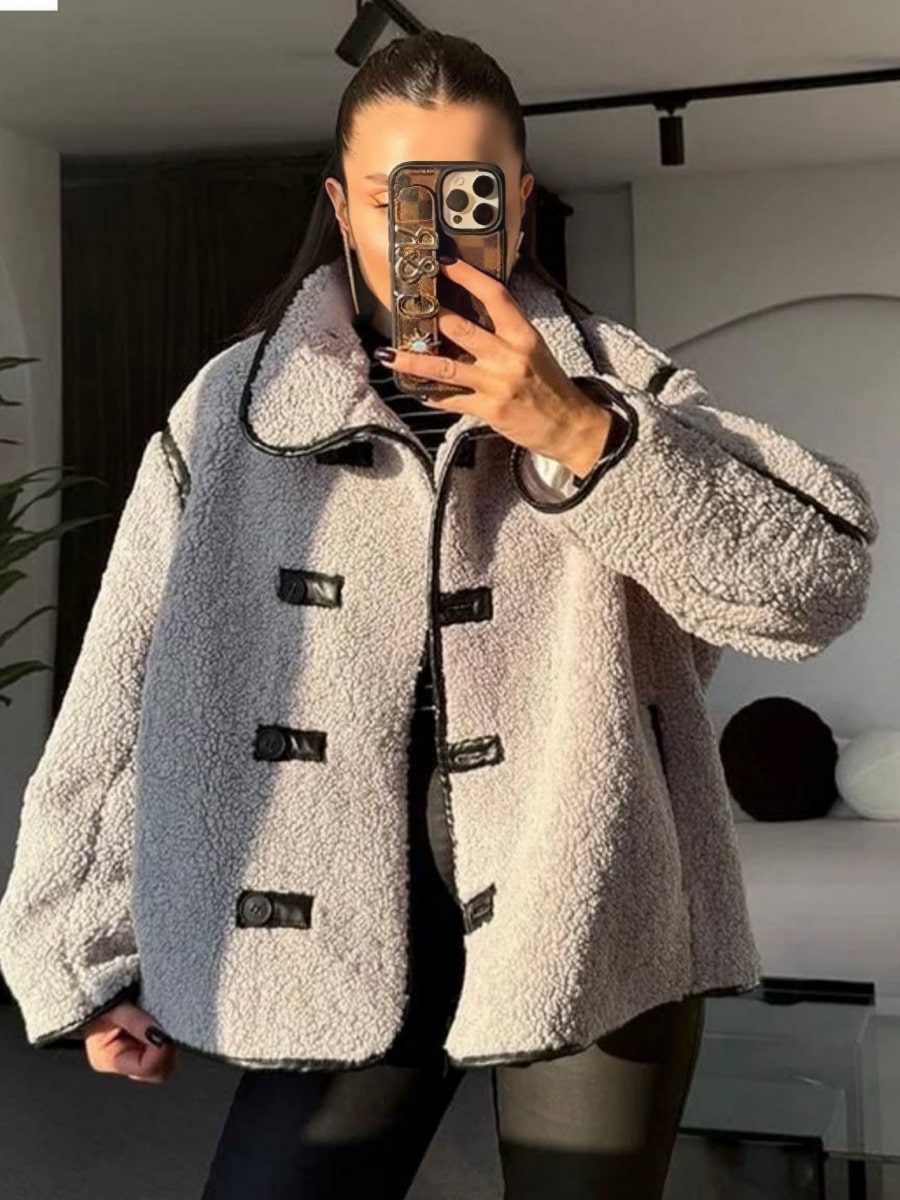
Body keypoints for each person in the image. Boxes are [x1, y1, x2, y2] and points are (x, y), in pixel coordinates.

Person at [0, 29, 878, 1200]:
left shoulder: (615, 379)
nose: (433, 233)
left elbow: (818, 584)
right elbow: (123, 683)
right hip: (336, 928)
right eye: (392, 198)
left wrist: (581, 433)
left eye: (466, 197)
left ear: (515, 206)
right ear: (340, 206)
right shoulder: (237, 409)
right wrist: (80, 946)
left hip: (588, 909)